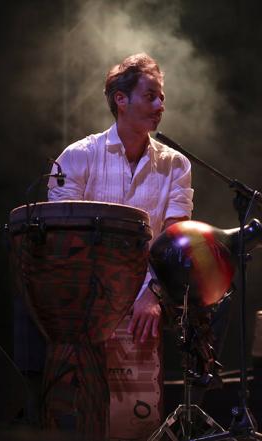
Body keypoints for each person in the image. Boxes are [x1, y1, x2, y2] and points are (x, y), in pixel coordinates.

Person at [48, 52, 193, 342]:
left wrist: (152, 295)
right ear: (121, 100)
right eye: (150, 96)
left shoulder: (177, 164)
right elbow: (65, 241)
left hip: (150, 297)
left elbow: (175, 242)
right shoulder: (77, 157)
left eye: (161, 98)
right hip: (85, 299)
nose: (160, 105)